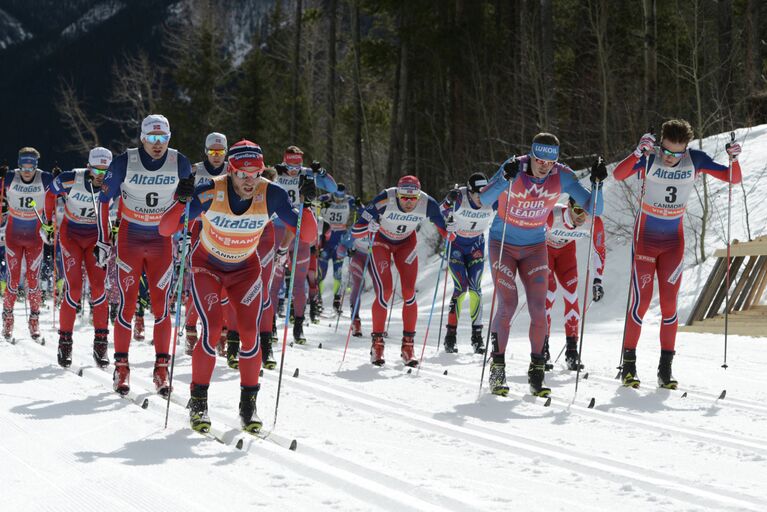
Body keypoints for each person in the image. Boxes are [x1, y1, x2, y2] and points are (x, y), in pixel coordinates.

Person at [159, 140, 317, 433]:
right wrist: (181, 202)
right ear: (230, 170)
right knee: (213, 329)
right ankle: (199, 403)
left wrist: (308, 206)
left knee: (248, 333)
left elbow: (307, 235)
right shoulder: (210, 192)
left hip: (245, 270)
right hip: (208, 267)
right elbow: (166, 228)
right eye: (242, 174)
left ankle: (248, 407)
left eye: (255, 173)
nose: (249, 181)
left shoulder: (272, 194)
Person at [613, 119, 742, 389]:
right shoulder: (649, 159)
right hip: (645, 241)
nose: (671, 158)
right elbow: (618, 175)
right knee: (641, 303)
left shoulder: (694, 159)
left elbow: (733, 178)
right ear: (661, 144)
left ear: (686, 149)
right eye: (668, 152)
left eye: (678, 153)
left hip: (673, 242)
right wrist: (637, 152)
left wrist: (734, 159)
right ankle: (628, 366)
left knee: (670, 307)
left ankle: (665, 369)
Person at [479, 133, 605, 397]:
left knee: (539, 308)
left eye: (550, 161)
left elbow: (594, 208)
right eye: (539, 160)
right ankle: (497, 369)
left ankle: (537, 373)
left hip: (535, 246)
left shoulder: (563, 176)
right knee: (509, 304)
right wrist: (504, 180)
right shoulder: (515, 166)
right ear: (531, 155)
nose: (544, 166)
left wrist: (597, 184)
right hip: (503, 244)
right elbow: (483, 200)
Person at [95, 114, 192, 396]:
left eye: (162, 138)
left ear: (169, 138)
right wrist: (103, 240)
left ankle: (161, 370)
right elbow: (103, 202)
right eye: (152, 138)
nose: (157, 144)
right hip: (130, 239)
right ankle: (122, 367)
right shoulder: (125, 161)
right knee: (127, 304)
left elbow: (191, 203)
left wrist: (186, 218)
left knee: (162, 307)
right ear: (142, 138)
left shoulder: (180, 162)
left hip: (162, 241)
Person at [352, 175, 448, 367]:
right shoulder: (384, 199)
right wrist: (368, 227)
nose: (409, 202)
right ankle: (377, 345)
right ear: (398, 194)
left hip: (406, 244)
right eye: (404, 197)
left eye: (414, 198)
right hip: (381, 242)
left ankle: (408, 347)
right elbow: (356, 231)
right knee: (385, 291)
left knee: (409, 292)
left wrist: (451, 230)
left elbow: (447, 231)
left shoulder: (428, 203)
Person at [45, 147, 113, 367]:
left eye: (105, 169)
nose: (100, 174)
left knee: (99, 288)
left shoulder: (114, 181)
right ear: (88, 166)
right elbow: (49, 193)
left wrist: (119, 225)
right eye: (96, 169)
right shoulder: (71, 179)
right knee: (74, 289)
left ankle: (101, 343)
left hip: (97, 236)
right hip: (71, 236)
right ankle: (65, 342)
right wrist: (47, 221)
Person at [269, 146, 336, 345]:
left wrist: (321, 172)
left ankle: (298, 325)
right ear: (284, 160)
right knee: (275, 281)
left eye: (297, 164)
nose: (293, 169)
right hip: (279, 229)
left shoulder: (308, 174)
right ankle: (270, 325)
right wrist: (271, 175)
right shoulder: (276, 173)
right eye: (290, 164)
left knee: (300, 281)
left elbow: (332, 188)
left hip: (301, 231)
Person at [543, 196, 606, 371]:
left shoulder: (594, 221)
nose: (582, 217)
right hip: (545, 250)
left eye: (586, 212)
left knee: (572, 297)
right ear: (569, 205)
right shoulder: (553, 215)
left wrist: (597, 280)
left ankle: (572, 352)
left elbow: (599, 250)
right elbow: (533, 235)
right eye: (578, 210)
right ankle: (542, 349)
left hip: (566, 254)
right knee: (548, 295)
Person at [184, 132, 232, 356]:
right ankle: (191, 330)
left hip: (224, 231)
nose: (216, 156)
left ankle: (222, 332)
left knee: (224, 285)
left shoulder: (232, 170)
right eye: (212, 152)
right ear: (206, 151)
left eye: (220, 152)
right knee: (199, 284)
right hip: (199, 230)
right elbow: (182, 200)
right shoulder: (195, 170)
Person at [1, 147, 54, 342]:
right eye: (23, 164)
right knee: (13, 279)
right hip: (13, 236)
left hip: (34, 238)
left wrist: (59, 179)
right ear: (19, 163)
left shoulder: (44, 178)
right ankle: (7, 316)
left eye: (31, 165)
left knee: (34, 280)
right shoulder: (10, 177)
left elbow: (63, 186)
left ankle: (34, 319)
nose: (27, 170)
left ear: (36, 165)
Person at [440, 172, 496, 354]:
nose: (482, 198)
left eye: (485, 193)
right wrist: (448, 201)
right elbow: (440, 211)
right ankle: (450, 336)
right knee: (460, 288)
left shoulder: (491, 199)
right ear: (469, 192)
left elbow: (508, 209)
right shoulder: (460, 198)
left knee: (475, 289)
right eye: (478, 194)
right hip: (456, 245)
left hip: (476, 246)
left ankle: (477, 337)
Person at [317, 183, 357, 314]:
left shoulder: (349, 200)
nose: (339, 200)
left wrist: (359, 204)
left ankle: (337, 300)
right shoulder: (325, 198)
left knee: (338, 273)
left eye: (341, 197)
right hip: (325, 241)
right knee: (321, 272)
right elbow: (313, 205)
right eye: (336, 197)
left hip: (340, 241)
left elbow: (362, 210)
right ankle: (317, 299)